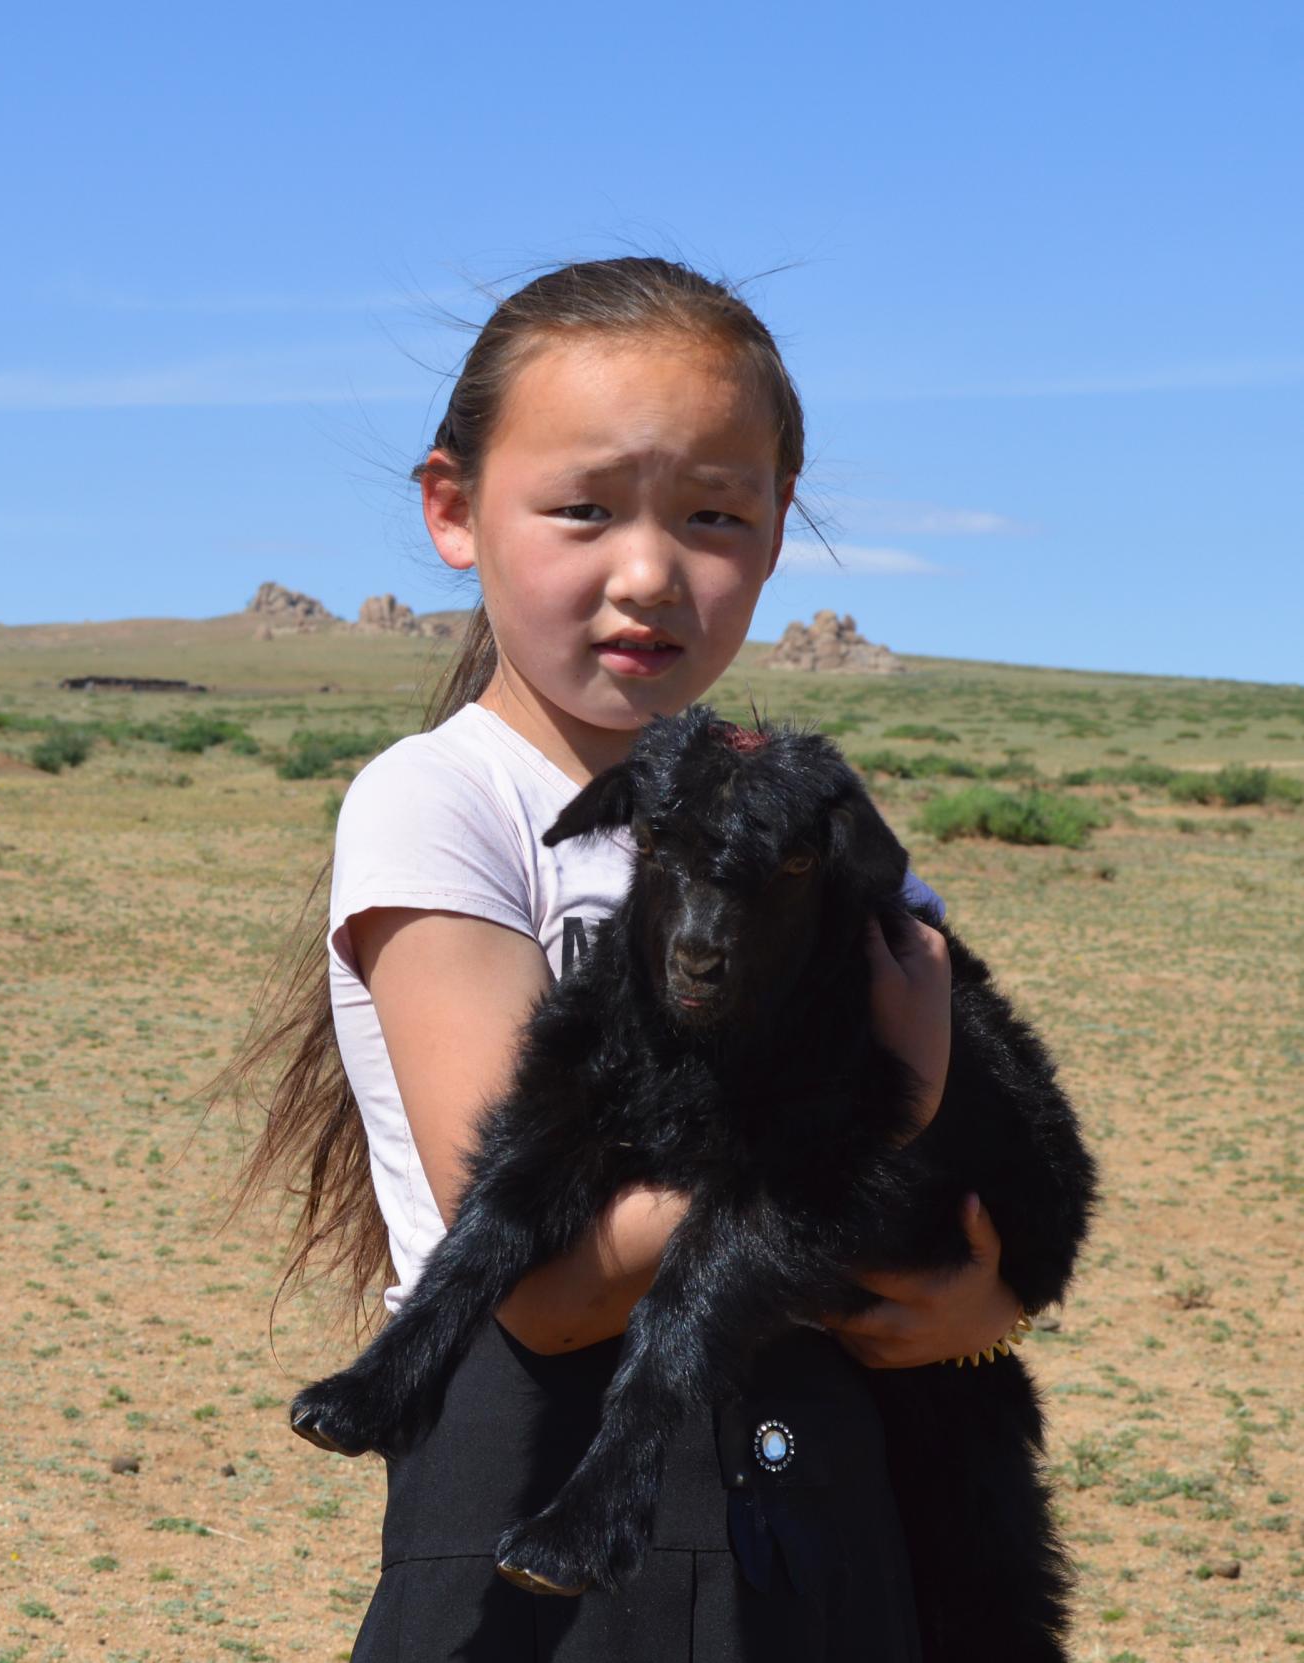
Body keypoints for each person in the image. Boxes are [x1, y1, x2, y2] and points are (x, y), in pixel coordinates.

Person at [220, 257, 1031, 1661]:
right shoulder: (445, 804)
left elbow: (979, 1144)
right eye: (585, 509)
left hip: (830, 1527)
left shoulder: (802, 827)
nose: (649, 572)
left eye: (715, 516)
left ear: (778, 534)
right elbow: (550, 1276)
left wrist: (988, 1297)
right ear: (455, 511)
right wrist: (875, 1115)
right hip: (558, 1541)